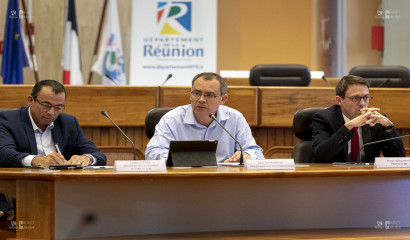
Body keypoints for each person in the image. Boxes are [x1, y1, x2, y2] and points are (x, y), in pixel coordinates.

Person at [145, 72, 264, 162]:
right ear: (190, 94)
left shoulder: (235, 118)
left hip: (224, 182)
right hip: (183, 180)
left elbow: (256, 151)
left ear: (223, 99)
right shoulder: (171, 119)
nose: (201, 100)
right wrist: (183, 158)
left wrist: (248, 155)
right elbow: (152, 153)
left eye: (209, 95)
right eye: (196, 93)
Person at [0, 80, 107, 167]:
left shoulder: (69, 122)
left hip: (62, 185)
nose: (51, 112)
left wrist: (87, 158)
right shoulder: (8, 120)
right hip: (22, 185)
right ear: (31, 100)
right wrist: (36, 160)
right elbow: (4, 153)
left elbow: (98, 155)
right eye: (46, 105)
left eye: (58, 107)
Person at [312, 75, 405, 163]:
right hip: (334, 176)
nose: (362, 103)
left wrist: (389, 127)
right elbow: (321, 156)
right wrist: (349, 126)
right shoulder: (324, 119)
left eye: (366, 97)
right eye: (355, 98)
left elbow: (399, 159)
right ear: (339, 100)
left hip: (367, 176)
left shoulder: (376, 120)